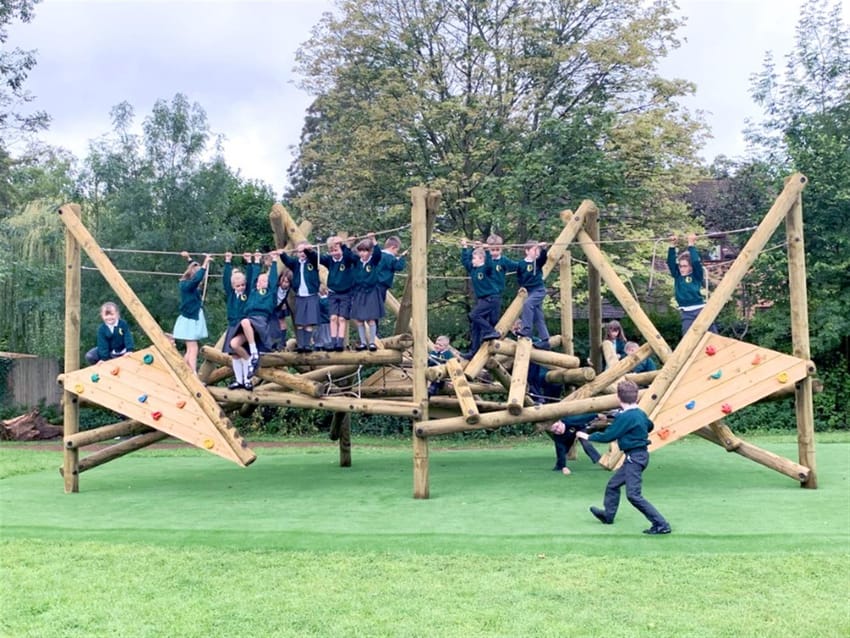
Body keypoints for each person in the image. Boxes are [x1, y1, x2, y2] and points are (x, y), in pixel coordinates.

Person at [577, 379, 671, 535]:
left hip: (635, 458)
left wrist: (587, 437)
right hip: (637, 456)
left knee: (633, 495)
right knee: (613, 485)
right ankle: (608, 515)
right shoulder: (639, 413)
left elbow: (609, 436)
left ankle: (661, 524)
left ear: (619, 398)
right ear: (636, 397)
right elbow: (649, 425)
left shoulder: (625, 417)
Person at [228, 252, 280, 390]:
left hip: (261, 321)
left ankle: (254, 351)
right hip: (249, 323)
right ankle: (243, 375)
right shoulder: (252, 291)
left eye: (264, 281)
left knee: (244, 322)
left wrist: (274, 261)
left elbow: (273, 280)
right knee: (234, 344)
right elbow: (252, 278)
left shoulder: (270, 292)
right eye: (259, 281)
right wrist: (255, 261)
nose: (261, 282)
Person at [667, 233, 718, 335]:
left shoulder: (696, 275)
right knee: (687, 336)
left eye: (685, 266)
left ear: (690, 267)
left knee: (712, 335)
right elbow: (670, 262)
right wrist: (672, 246)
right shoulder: (678, 275)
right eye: (680, 266)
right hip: (686, 312)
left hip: (700, 309)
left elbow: (695, 261)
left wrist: (691, 244)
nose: (682, 268)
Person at [173, 252, 212, 374]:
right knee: (193, 347)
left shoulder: (188, 284)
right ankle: (193, 372)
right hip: (189, 319)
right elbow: (197, 278)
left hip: (191, 317)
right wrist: (205, 263)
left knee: (190, 348)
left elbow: (194, 269)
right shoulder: (187, 286)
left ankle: (184, 371)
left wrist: (189, 258)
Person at [460, 239, 501, 357]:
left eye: (475, 258)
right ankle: (474, 351)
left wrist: (487, 250)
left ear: (481, 259)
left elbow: (489, 263)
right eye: (473, 258)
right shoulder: (473, 270)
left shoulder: (487, 269)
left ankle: (491, 331)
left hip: (492, 298)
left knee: (474, 315)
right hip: (483, 299)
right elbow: (465, 260)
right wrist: (465, 247)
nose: (472, 261)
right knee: (475, 325)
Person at [281, 241, 320, 353]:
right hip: (300, 296)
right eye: (300, 252)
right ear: (297, 253)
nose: (302, 254)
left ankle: (307, 344)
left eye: (304, 252)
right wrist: (282, 253)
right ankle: (301, 345)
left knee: (308, 322)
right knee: (300, 322)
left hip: (311, 295)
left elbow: (314, 256)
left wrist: (309, 250)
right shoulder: (295, 264)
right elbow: (287, 261)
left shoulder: (312, 261)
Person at [319, 235, 357, 351]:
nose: (334, 253)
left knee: (342, 318)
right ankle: (333, 341)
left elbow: (353, 258)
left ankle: (340, 342)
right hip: (333, 293)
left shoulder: (346, 259)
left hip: (346, 293)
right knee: (333, 318)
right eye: (331, 251)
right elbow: (316, 257)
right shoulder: (330, 260)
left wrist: (346, 245)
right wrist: (308, 250)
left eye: (336, 250)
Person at [350, 235, 384, 350]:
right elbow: (347, 255)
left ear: (370, 252)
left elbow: (378, 254)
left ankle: (372, 342)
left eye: (365, 251)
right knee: (359, 319)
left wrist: (374, 240)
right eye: (361, 251)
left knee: (371, 318)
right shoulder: (357, 262)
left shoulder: (373, 261)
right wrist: (349, 244)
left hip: (371, 292)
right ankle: (363, 342)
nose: (362, 254)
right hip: (359, 292)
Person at [515, 240, 550, 348]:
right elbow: (519, 277)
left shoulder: (537, 263)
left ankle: (526, 329)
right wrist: (521, 286)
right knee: (538, 317)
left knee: (527, 304)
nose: (537, 252)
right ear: (527, 251)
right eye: (534, 250)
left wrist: (543, 249)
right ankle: (545, 339)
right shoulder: (521, 264)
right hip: (530, 292)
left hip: (539, 290)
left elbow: (544, 258)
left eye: (537, 250)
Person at [222, 250, 258, 354]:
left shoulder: (246, 293)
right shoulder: (231, 294)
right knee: (233, 353)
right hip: (233, 324)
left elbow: (251, 279)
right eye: (238, 286)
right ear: (233, 286)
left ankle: (248, 363)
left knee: (241, 348)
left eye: (242, 285)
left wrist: (249, 262)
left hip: (242, 325)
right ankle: (239, 370)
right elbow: (226, 280)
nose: (241, 287)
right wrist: (228, 261)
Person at [376, 235, 407, 323]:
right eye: (396, 251)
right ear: (393, 247)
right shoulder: (390, 257)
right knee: (378, 308)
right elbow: (399, 266)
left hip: (372, 284)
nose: (396, 253)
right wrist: (402, 257)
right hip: (381, 286)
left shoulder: (378, 255)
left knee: (371, 306)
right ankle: (374, 331)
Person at [271, 268, 293, 350]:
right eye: (282, 281)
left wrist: (285, 303)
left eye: (287, 282)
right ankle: (272, 342)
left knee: (282, 321)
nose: (284, 284)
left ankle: (282, 342)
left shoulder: (289, 289)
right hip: (272, 305)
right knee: (271, 323)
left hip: (280, 305)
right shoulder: (275, 286)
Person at [314, 285, 332, 350]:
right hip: (327, 322)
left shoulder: (318, 301)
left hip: (320, 322)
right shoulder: (328, 301)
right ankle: (328, 345)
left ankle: (318, 345)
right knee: (327, 336)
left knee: (319, 336)